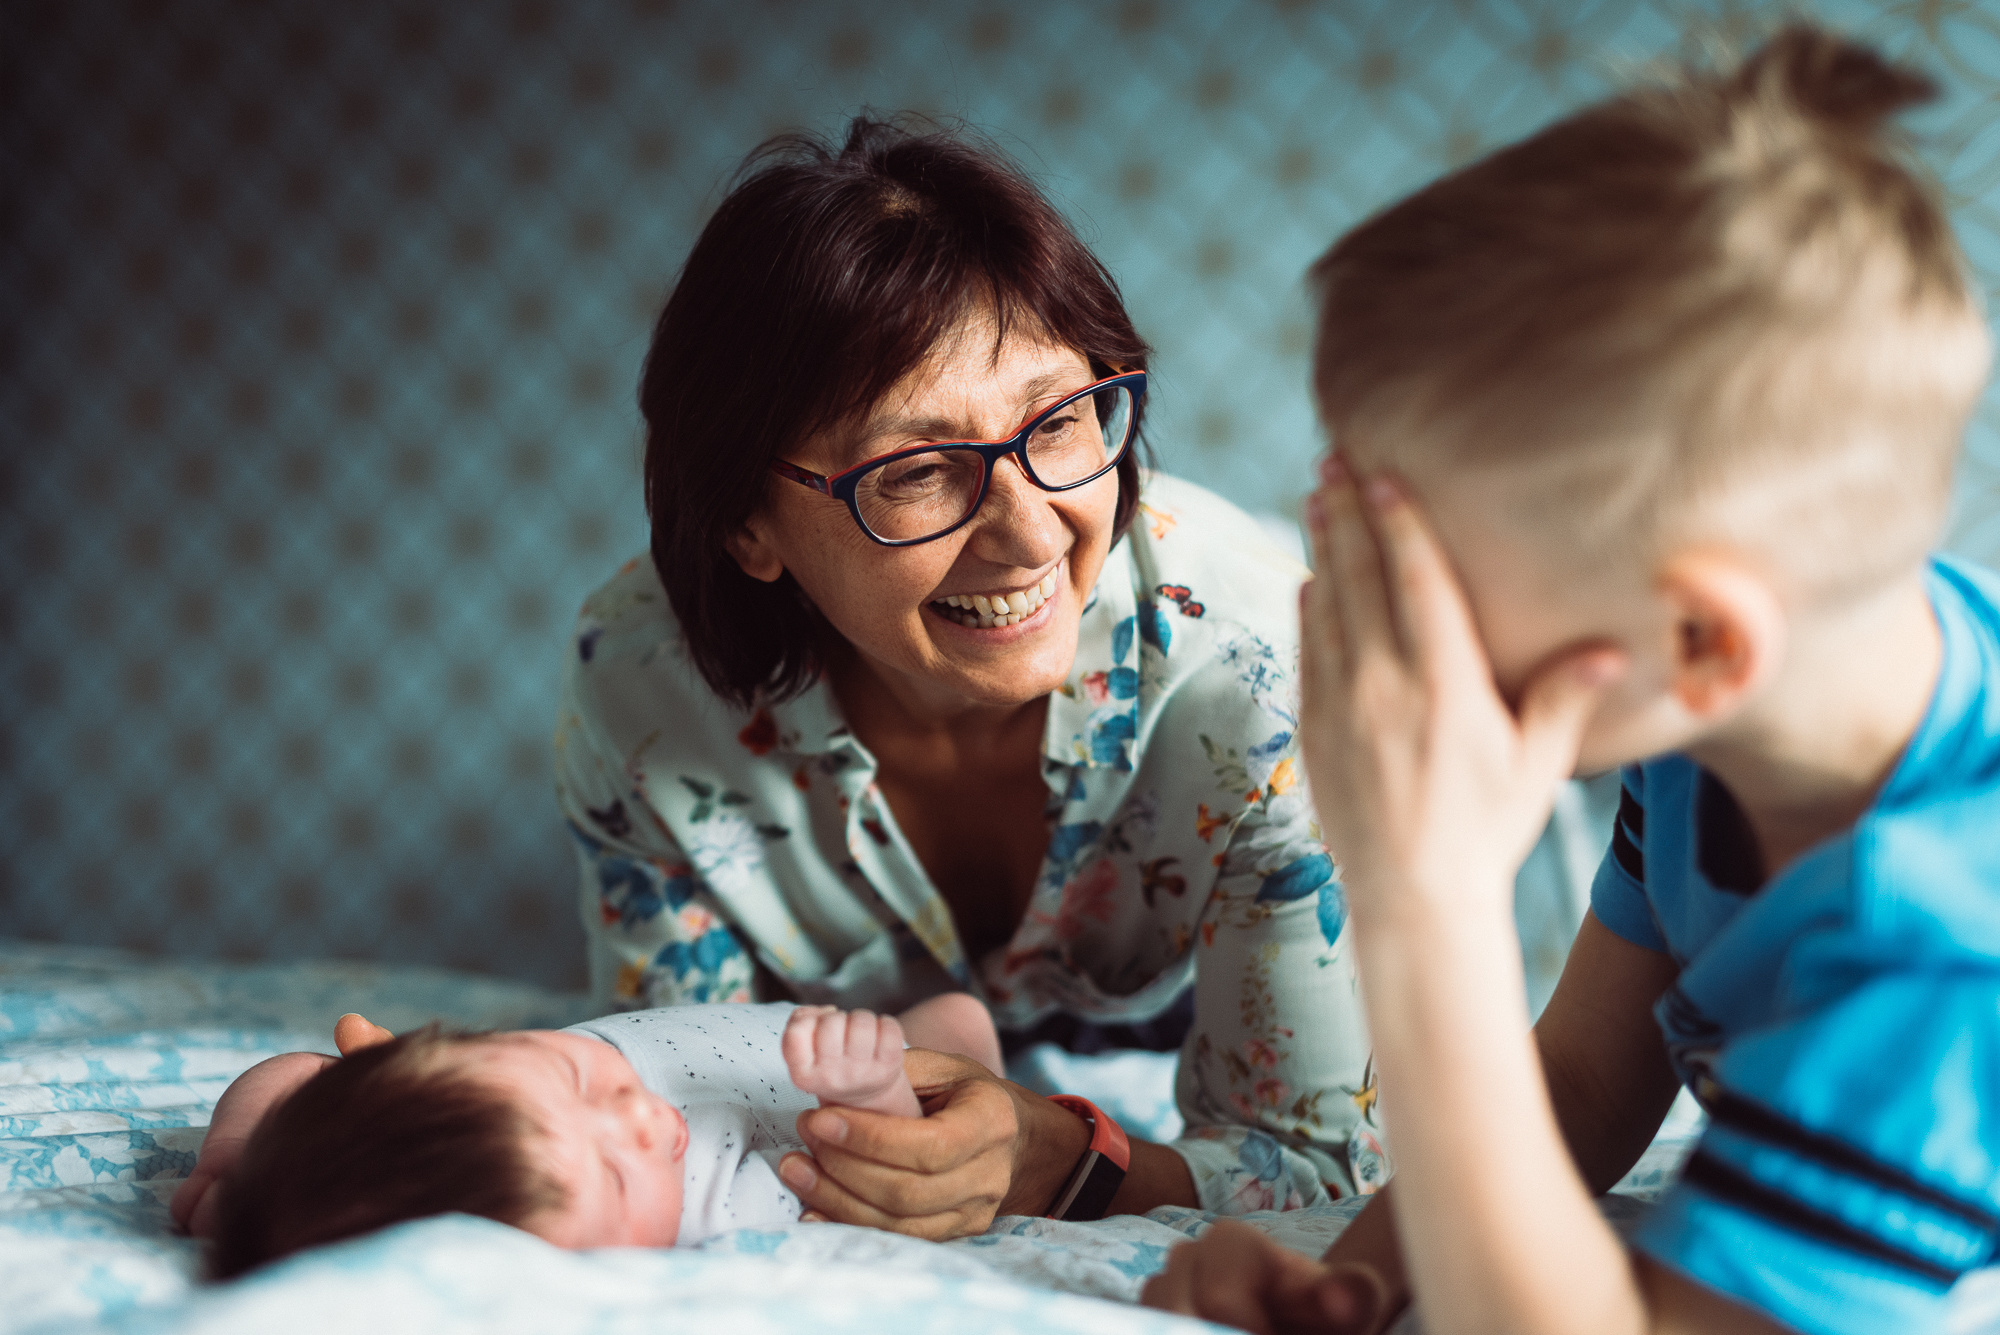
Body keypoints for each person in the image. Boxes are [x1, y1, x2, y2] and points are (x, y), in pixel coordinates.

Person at [1144, 25, 1999, 1335]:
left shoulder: (1941, 949)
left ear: (1706, 640)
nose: (1386, 637)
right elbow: (1592, 1072)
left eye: (1432, 588)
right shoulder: (1720, 715)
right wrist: (1361, 1277)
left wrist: (1422, 896)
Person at [552, 114, 1379, 1234]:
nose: (1029, 534)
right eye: (916, 471)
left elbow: (1320, 1161)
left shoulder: (1258, 669)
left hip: (1191, 986)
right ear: (749, 523)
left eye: (1059, 420)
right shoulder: (642, 693)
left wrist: (1059, 1159)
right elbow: (679, 1117)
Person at [170, 995, 1001, 1277]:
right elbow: (892, 1177)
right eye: (615, 1175)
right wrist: (872, 1087)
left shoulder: (464, 1085)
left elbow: (299, 1068)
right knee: (957, 1025)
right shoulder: (729, 1213)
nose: (638, 1114)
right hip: (844, 1070)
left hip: (756, 1020)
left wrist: (236, 1165)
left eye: (576, 1080)